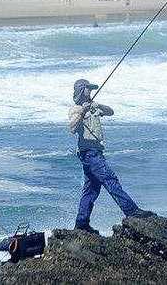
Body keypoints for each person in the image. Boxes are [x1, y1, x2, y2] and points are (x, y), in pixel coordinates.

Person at [68, 79, 154, 234]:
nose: (91, 92)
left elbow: (111, 111)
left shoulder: (93, 106)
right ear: (81, 90)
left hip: (94, 153)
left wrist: (98, 106)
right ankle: (131, 211)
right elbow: (72, 128)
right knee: (110, 179)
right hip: (90, 154)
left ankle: (81, 223)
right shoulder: (75, 109)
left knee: (91, 190)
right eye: (88, 89)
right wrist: (82, 111)